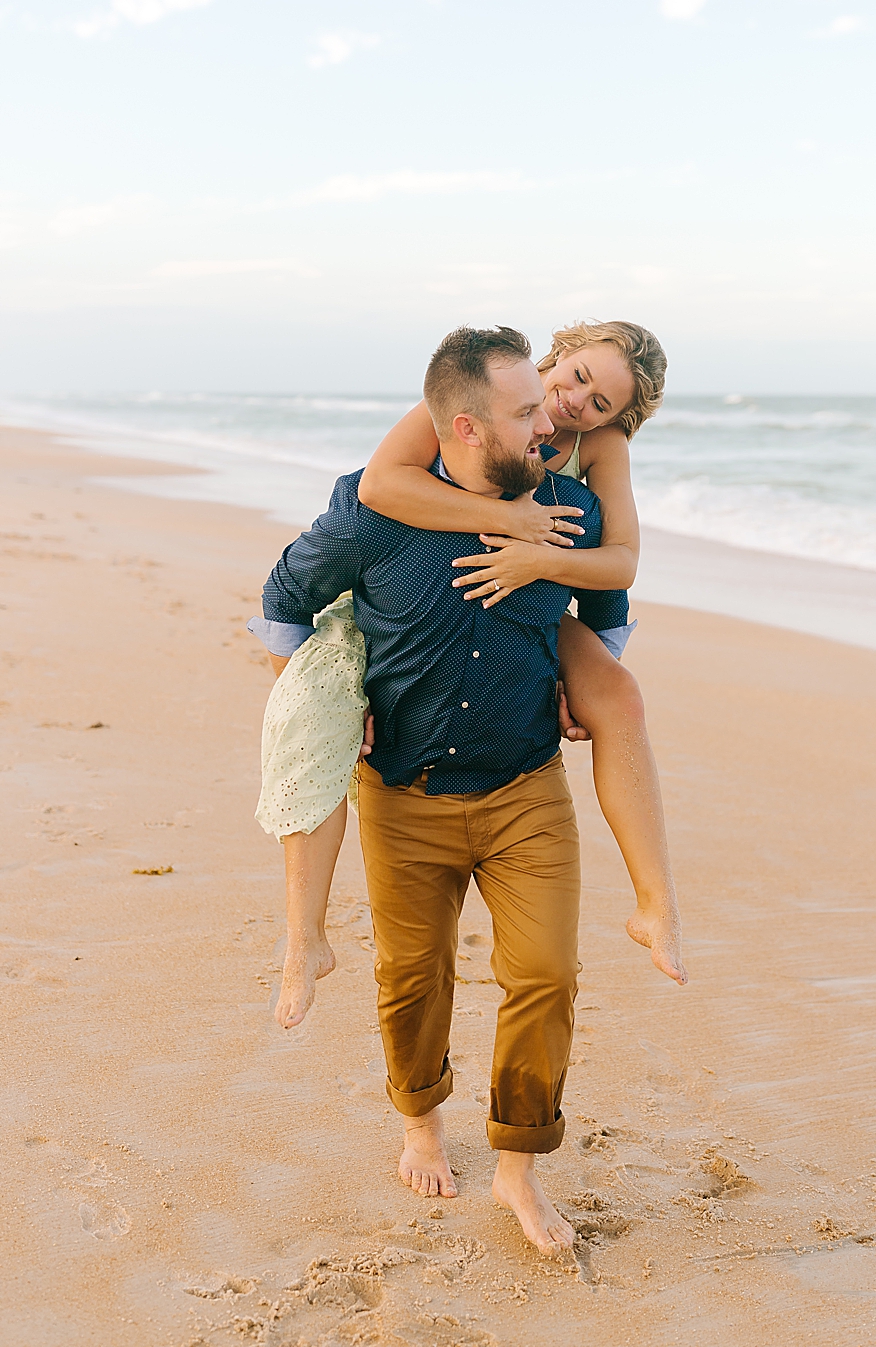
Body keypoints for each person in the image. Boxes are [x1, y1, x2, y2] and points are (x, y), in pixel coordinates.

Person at [250, 325, 641, 1254]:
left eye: (591, 405)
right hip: (403, 789)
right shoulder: (374, 508)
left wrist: (576, 690)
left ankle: (519, 1164)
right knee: (411, 976)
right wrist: (324, 698)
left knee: (547, 973)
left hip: (522, 784)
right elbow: (279, 603)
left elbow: (614, 604)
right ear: (467, 427)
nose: (556, 414)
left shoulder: (572, 512)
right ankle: (421, 1121)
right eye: (540, 401)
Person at [258, 319, 683, 1035]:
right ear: (561, 352)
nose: (576, 403)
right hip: (408, 590)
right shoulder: (471, 400)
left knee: (619, 694)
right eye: (576, 376)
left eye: (602, 403)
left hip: (539, 588)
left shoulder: (595, 459)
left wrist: (552, 619)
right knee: (315, 715)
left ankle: (657, 902)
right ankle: (304, 938)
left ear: (616, 421)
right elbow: (383, 486)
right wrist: (506, 518)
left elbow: (619, 568)